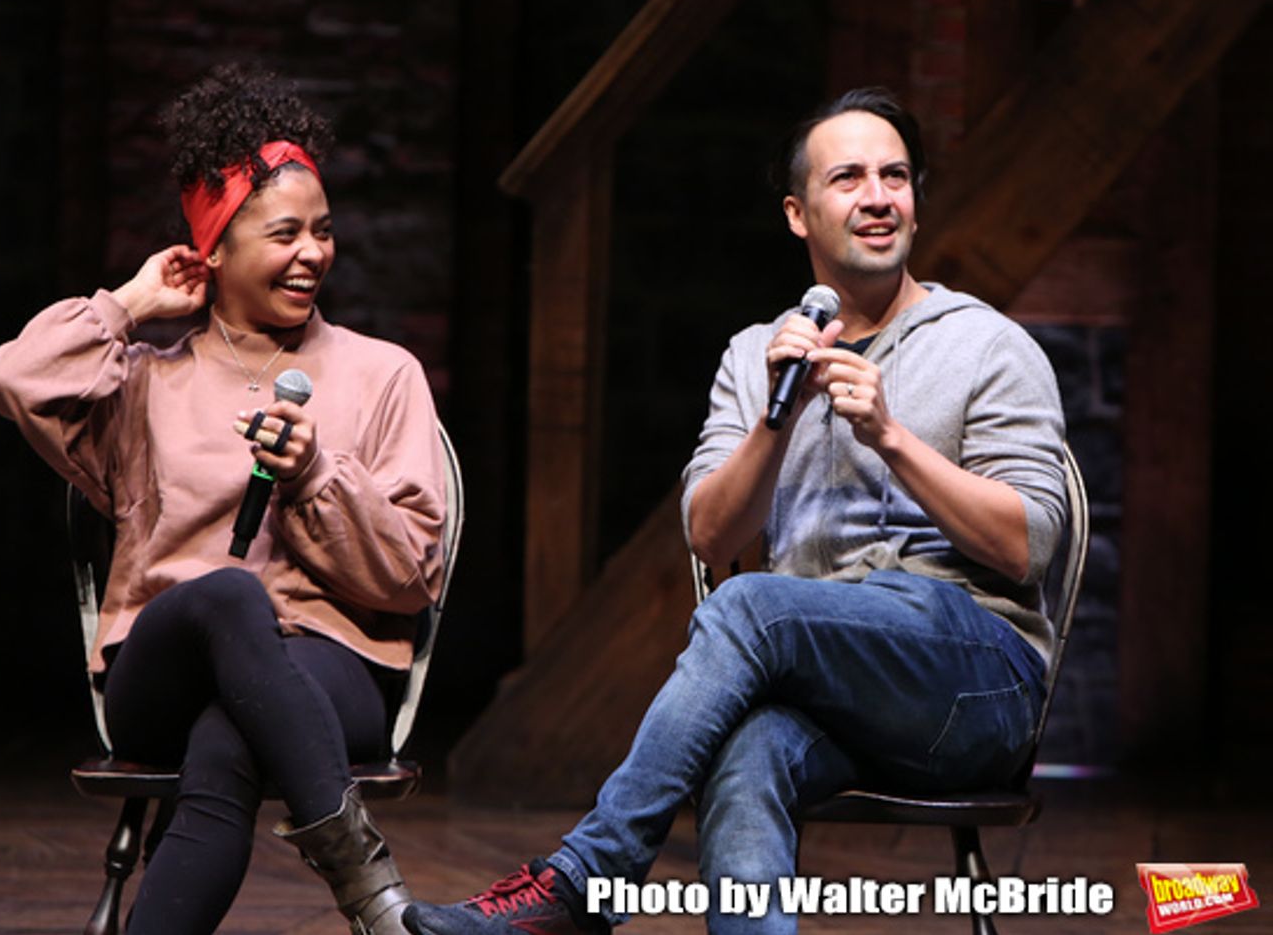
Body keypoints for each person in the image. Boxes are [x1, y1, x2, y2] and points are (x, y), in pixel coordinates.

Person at [401, 87, 1065, 935]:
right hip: (833, 690)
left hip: (974, 684)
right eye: (849, 177)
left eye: (895, 176)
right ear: (799, 214)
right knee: (745, 756)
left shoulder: (987, 344)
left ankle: (586, 880)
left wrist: (893, 436)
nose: (877, 196)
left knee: (746, 604)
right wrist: (775, 420)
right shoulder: (758, 357)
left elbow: (1027, 546)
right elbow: (712, 535)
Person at [0, 64, 446, 935]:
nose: (313, 253)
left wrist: (315, 475)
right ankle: (369, 886)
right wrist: (128, 305)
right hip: (162, 667)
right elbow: (10, 378)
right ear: (216, 247)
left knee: (228, 738)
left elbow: (412, 574)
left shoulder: (386, 374)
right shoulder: (145, 383)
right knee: (229, 594)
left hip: (331, 663)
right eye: (283, 234)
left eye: (324, 231)